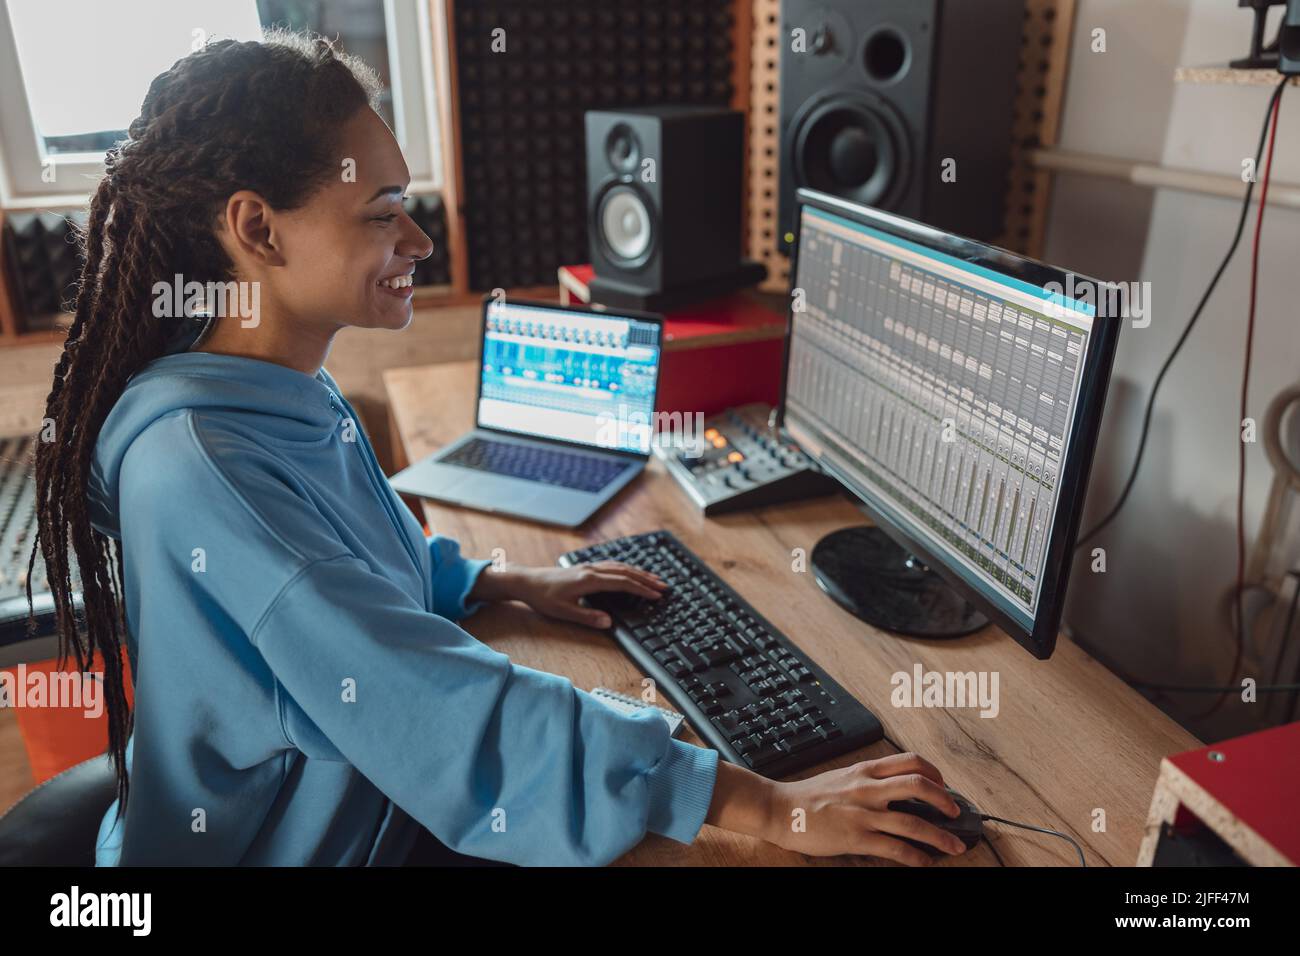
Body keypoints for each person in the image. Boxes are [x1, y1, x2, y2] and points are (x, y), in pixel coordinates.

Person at [31, 31, 967, 867]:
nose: (421, 239)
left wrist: (499, 583)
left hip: (356, 803)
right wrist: (769, 805)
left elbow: (345, 580)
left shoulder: (268, 389)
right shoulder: (207, 469)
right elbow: (438, 711)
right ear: (257, 229)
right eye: (383, 211)